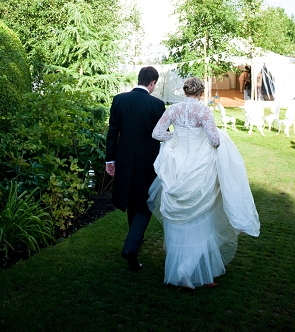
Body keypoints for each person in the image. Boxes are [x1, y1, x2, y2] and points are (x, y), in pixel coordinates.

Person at [148, 77, 260, 289]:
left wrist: (175, 139)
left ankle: (188, 269)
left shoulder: (173, 110)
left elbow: (157, 133)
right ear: (200, 93)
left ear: (184, 91)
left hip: (178, 168)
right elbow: (215, 140)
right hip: (199, 168)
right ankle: (186, 269)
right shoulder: (203, 111)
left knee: (180, 221)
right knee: (202, 217)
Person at [106, 65, 166, 271]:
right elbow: (161, 134)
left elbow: (113, 132)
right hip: (147, 162)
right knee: (145, 204)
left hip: (123, 160)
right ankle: (131, 246)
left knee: (133, 201)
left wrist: (109, 160)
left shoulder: (119, 100)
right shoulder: (157, 105)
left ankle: (134, 245)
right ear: (152, 83)